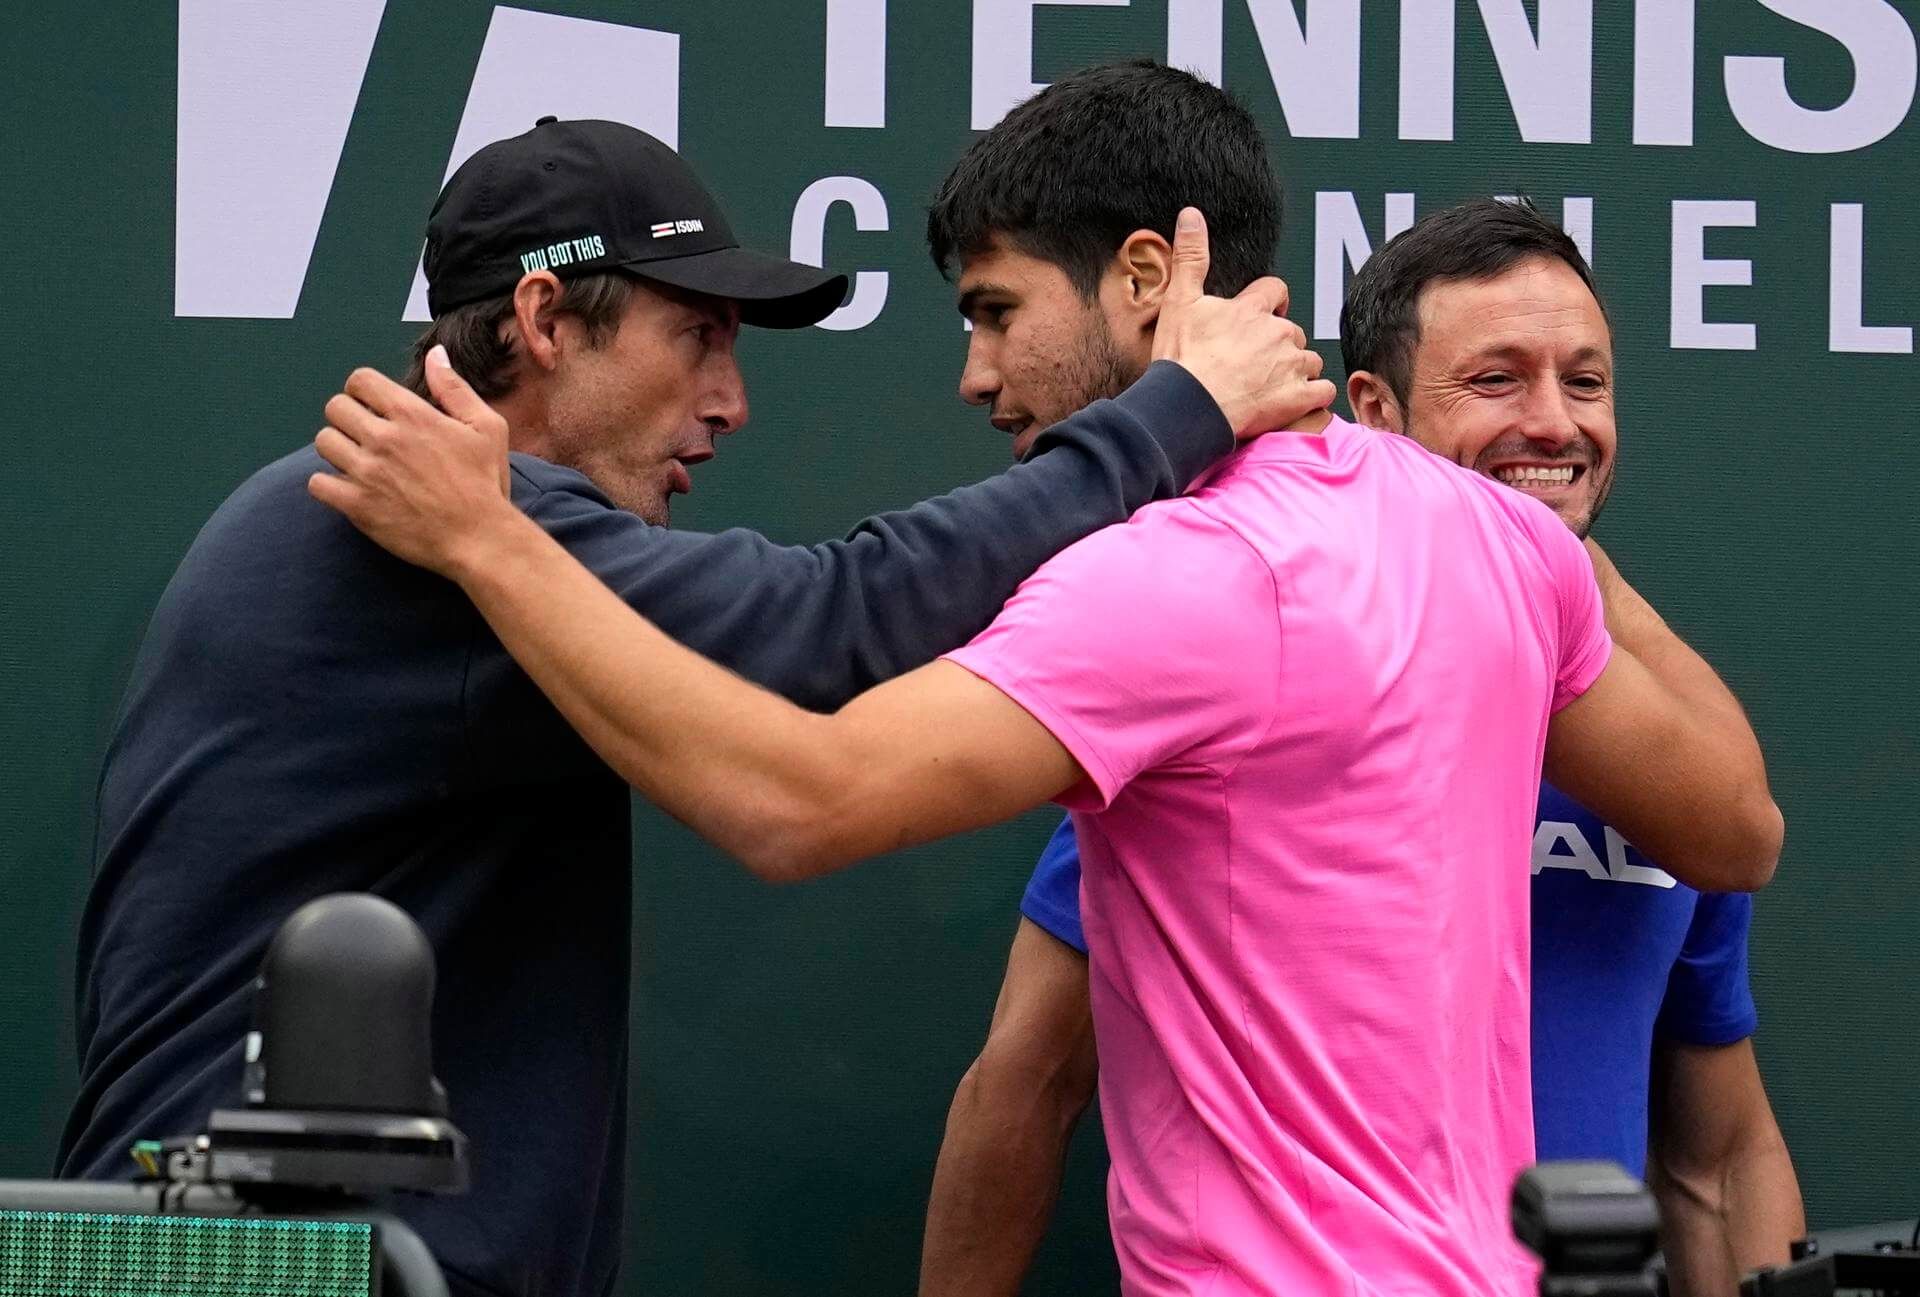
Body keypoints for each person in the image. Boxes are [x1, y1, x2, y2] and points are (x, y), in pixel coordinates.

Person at [308, 65, 1782, 1297]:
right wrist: (1545, 553)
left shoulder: (1174, 580)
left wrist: (491, 543)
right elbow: (1738, 829)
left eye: (996, 309)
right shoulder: (1485, 540)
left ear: (1147, 280)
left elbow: (792, 802)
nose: (973, 368)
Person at [61, 115, 1328, 1297]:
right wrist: (1179, 412)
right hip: (273, 1265)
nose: (732, 401)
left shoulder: (434, 531)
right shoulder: (416, 531)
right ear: (547, 319)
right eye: (699, 339)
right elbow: (835, 623)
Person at [922, 195, 1804, 1296]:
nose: (1554, 422)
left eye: (1585, 382)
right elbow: (1026, 1084)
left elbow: (1720, 1157)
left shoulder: (1667, 766)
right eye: (1495, 380)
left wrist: (1566, 577)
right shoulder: (1255, 697)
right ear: (1373, 410)